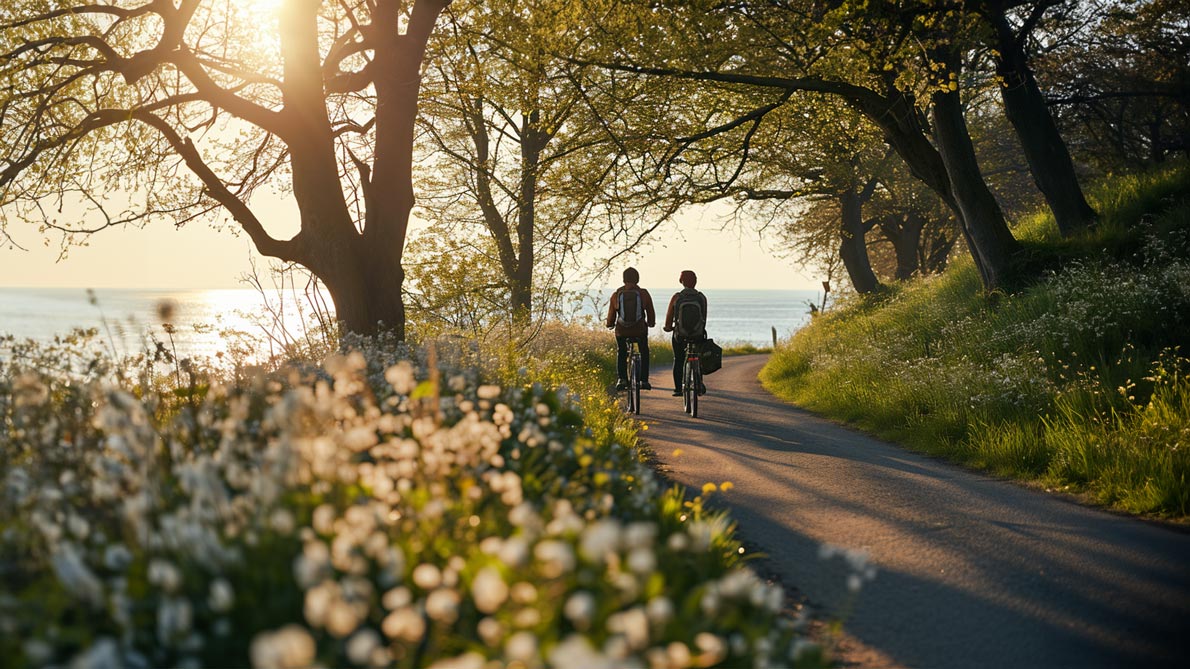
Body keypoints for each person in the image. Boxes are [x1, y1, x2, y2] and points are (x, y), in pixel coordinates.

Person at [606, 267, 656, 391]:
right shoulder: (643, 293)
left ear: (623, 280)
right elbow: (650, 311)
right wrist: (651, 323)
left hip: (622, 331)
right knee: (644, 351)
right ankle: (644, 380)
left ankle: (622, 379)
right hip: (639, 330)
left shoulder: (616, 295)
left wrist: (610, 324)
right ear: (637, 279)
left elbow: (611, 315)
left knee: (622, 351)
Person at [663, 270, 708, 396]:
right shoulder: (701, 297)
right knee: (699, 356)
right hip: (697, 335)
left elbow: (669, 317)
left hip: (680, 335)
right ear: (695, 281)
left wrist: (668, 327)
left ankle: (678, 388)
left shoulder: (677, 297)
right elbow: (704, 318)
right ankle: (699, 382)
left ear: (681, 281)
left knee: (678, 359)